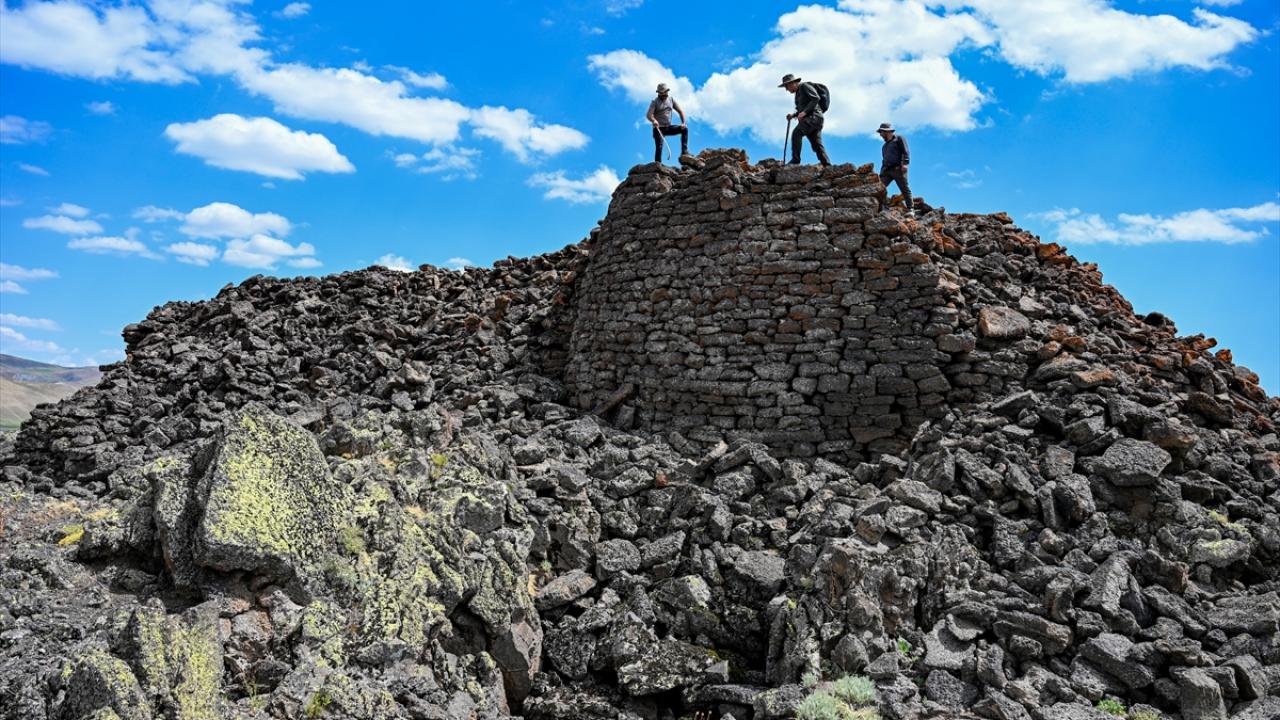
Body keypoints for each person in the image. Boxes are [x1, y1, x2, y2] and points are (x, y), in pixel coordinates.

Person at [779, 73, 830, 166]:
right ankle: (827, 165)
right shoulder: (798, 94)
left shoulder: (804, 86)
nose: (787, 89)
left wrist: (805, 112)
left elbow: (816, 98)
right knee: (817, 145)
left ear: (793, 83)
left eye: (787, 86)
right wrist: (793, 115)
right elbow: (801, 110)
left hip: (814, 117)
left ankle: (795, 160)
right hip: (813, 119)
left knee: (796, 133)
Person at [877, 122, 912, 216]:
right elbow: (884, 160)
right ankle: (882, 207)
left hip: (898, 169)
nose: (880, 135)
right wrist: (881, 173)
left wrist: (905, 164)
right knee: (879, 188)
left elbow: (906, 151)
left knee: (904, 188)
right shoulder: (884, 146)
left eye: (881, 132)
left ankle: (910, 209)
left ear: (886, 132)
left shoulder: (899, 139)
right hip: (886, 171)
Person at [647, 83, 688, 163]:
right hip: (658, 129)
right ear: (658, 93)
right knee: (659, 146)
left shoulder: (671, 99)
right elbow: (649, 115)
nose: (663, 94)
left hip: (668, 127)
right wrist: (654, 120)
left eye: (664, 92)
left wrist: (683, 123)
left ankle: (684, 152)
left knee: (684, 129)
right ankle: (657, 165)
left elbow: (680, 111)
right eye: (660, 93)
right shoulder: (655, 102)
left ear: (667, 91)